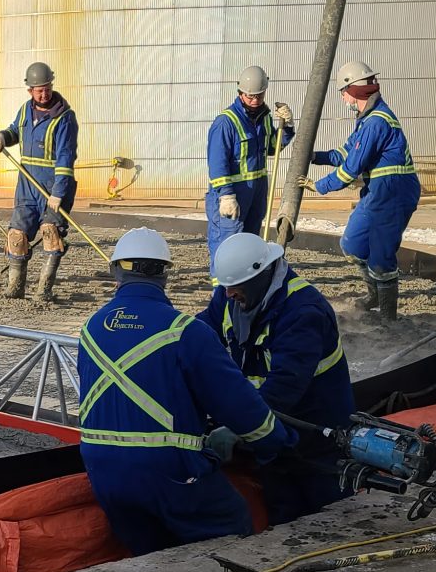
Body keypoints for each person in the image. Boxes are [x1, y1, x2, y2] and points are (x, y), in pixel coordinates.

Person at [77, 227, 295, 555]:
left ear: (115, 271)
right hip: (170, 473)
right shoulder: (186, 333)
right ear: (165, 275)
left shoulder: (90, 329)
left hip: (102, 472)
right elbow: (241, 408)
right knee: (231, 531)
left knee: (147, 557)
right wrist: (277, 442)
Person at [204, 232, 355, 524]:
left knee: (329, 520)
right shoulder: (233, 297)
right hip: (272, 439)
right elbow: (201, 333)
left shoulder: (303, 312)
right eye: (225, 287)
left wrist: (238, 427)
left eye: (235, 287)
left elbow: (284, 388)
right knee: (283, 517)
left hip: (317, 443)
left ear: (261, 276)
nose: (228, 294)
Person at [311, 60, 419, 319]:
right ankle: (373, 294)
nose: (342, 98)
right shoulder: (366, 120)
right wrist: (314, 156)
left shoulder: (376, 122)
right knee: (353, 244)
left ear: (352, 90)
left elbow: (350, 170)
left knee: (381, 256)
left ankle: (388, 317)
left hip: (393, 193)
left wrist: (319, 186)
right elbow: (344, 154)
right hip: (377, 193)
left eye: (342, 92)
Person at [0, 61, 79, 301]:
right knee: (17, 236)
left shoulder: (65, 118)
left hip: (53, 189)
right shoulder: (25, 111)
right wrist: (2, 136)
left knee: (51, 233)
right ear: (30, 90)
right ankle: (16, 287)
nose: (44, 92)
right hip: (27, 189)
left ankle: (44, 290)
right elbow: (14, 131)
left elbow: (65, 158)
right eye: (39, 89)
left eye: (47, 87)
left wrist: (59, 192)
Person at [205, 66, 295, 263]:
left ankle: (246, 289)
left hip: (255, 195)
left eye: (259, 96)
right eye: (250, 96)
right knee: (226, 246)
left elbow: (272, 147)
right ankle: (221, 290)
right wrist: (226, 195)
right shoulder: (225, 123)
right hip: (232, 195)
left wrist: (286, 127)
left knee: (249, 246)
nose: (255, 101)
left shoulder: (264, 118)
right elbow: (217, 163)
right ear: (240, 92)